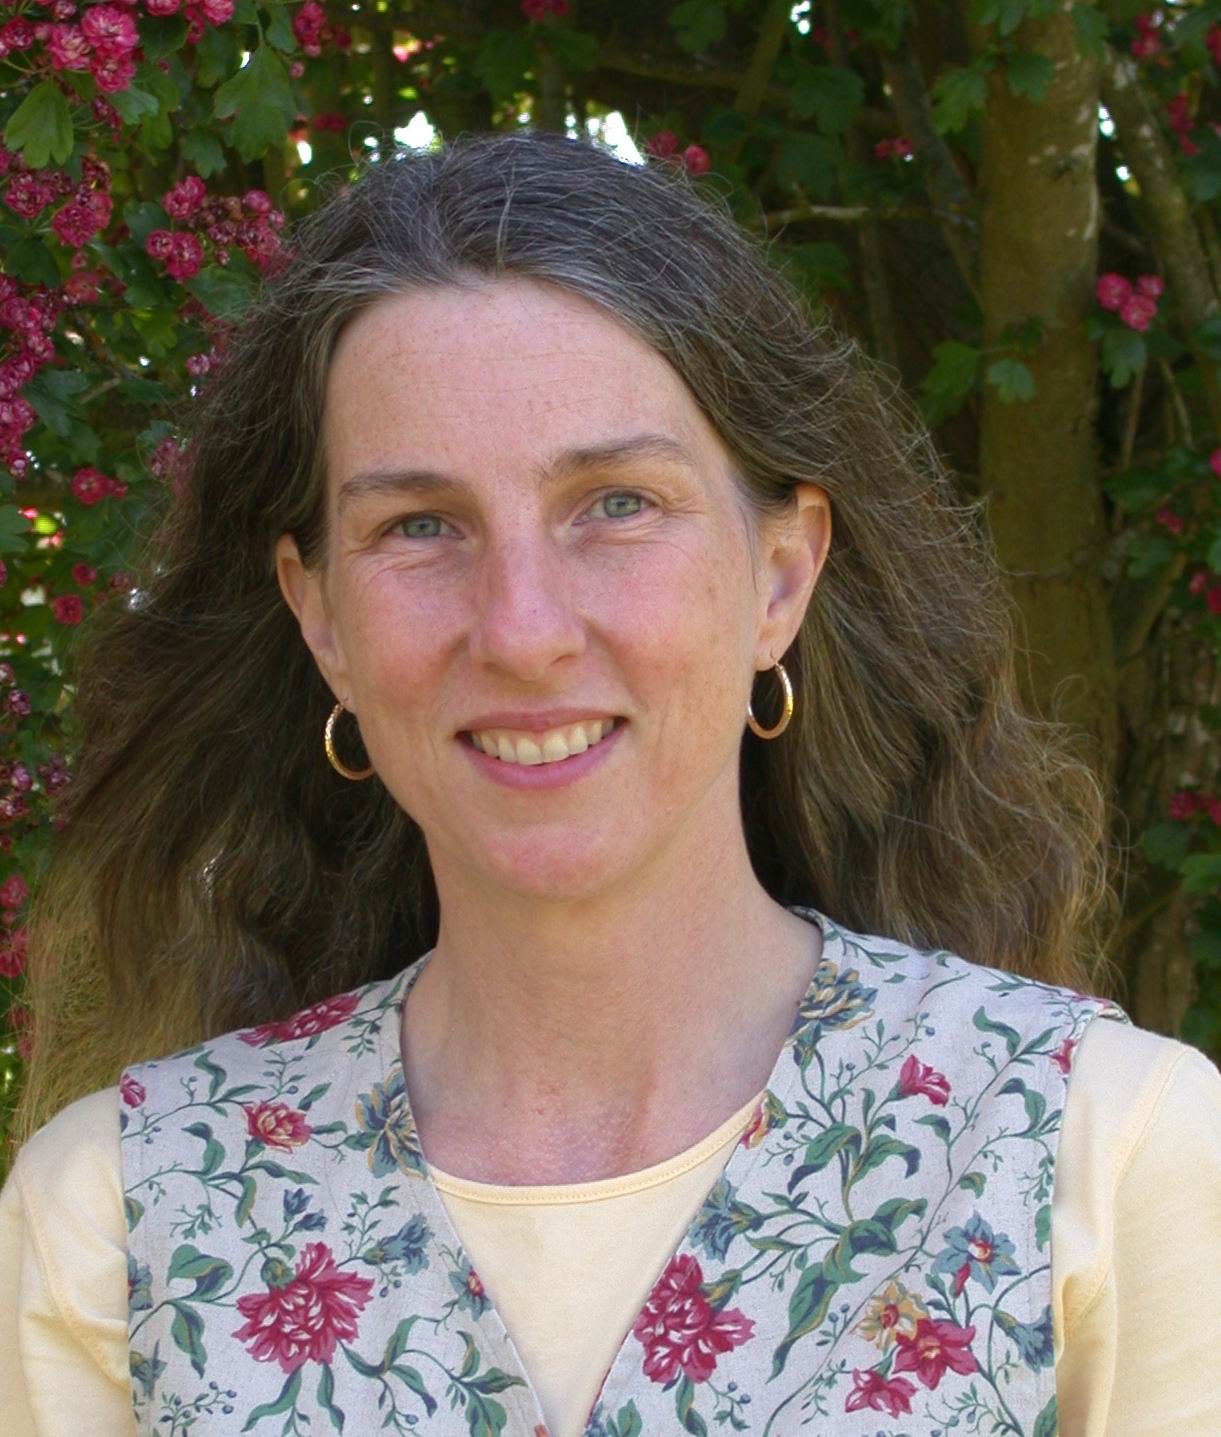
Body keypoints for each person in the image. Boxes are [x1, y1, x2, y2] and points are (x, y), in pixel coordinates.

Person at [1, 130, 1218, 1437]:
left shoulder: (1104, 1158)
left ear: (780, 576)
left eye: (616, 503)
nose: (522, 630)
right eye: (420, 526)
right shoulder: (117, 1219)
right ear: (323, 621)